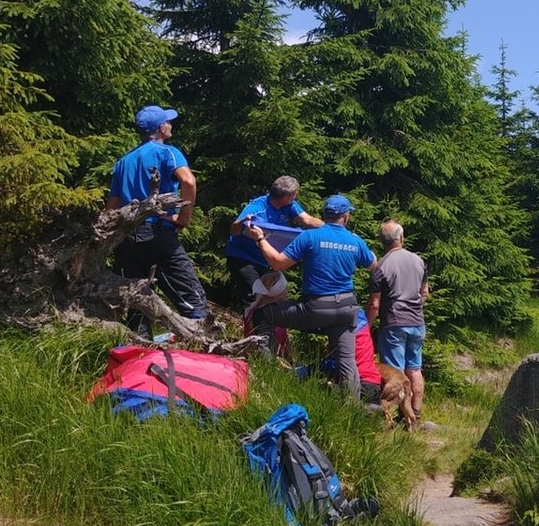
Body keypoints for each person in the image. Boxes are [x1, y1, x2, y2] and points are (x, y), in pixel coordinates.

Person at [244, 195, 377, 399]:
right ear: (345, 216)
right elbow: (372, 265)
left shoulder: (310, 237)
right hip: (347, 309)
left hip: (315, 307)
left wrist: (260, 239)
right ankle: (352, 413)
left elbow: (278, 263)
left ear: (324, 215)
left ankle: (267, 373)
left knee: (263, 315)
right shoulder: (355, 241)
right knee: (347, 361)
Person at [107, 105, 208, 335]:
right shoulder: (167, 152)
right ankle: (204, 351)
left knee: (137, 302)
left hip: (126, 239)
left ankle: (139, 355)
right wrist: (184, 218)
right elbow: (189, 182)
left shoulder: (124, 161)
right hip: (157, 233)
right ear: (161, 128)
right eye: (168, 122)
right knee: (192, 298)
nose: (171, 125)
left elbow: (112, 204)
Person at [226, 176, 323, 310]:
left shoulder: (290, 205)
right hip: (243, 257)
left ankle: (268, 329)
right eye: (294, 195)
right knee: (254, 298)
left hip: (264, 259)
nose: (295, 197)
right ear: (285, 197)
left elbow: (307, 220)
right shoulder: (257, 207)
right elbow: (234, 230)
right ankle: (255, 330)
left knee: (272, 298)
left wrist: (330, 228)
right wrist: (241, 222)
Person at [367, 220, 429, 423]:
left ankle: (393, 418)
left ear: (382, 241)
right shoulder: (419, 261)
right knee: (414, 369)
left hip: (393, 323)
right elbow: (424, 293)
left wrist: (365, 329)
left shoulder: (381, 266)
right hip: (417, 323)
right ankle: (415, 415)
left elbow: (375, 305)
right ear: (401, 238)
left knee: (396, 374)